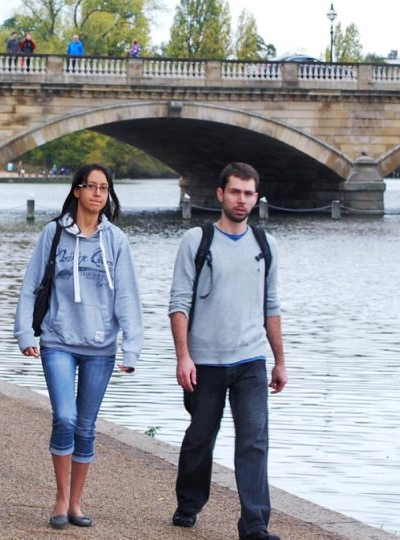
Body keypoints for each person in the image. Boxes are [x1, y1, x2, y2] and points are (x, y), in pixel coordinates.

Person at [14, 164, 143, 530]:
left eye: (104, 188)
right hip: (58, 340)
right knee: (65, 418)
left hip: (101, 346)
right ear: (77, 191)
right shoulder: (53, 233)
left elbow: (129, 296)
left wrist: (131, 348)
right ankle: (59, 496)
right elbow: (31, 286)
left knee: (86, 426)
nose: (98, 194)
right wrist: (25, 333)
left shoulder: (115, 240)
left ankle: (75, 502)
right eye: (91, 187)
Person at [168, 162, 287, 540]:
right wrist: (183, 356)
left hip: (251, 360)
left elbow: (272, 306)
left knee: (253, 440)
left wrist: (280, 360)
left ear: (256, 197)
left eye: (249, 193)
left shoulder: (265, 246)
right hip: (205, 360)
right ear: (221, 194)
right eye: (235, 192)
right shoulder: (196, 241)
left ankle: (254, 523)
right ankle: (188, 503)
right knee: (202, 436)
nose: (242, 200)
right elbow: (178, 303)